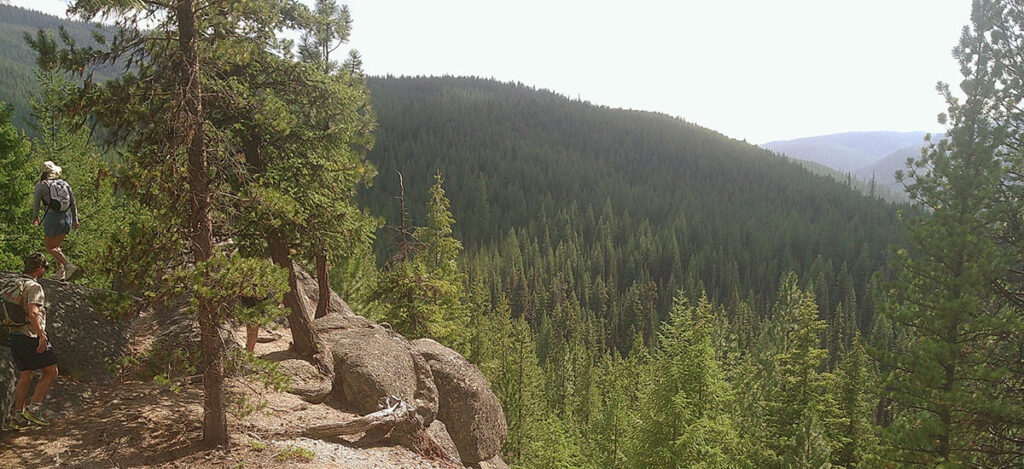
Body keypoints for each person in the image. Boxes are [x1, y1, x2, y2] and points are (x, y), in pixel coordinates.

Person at [4, 253, 59, 430]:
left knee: (25, 374)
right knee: (51, 371)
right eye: (44, 268)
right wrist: (42, 336)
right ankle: (34, 409)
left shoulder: (13, 282)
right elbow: (33, 312)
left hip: (14, 335)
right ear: (39, 268)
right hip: (30, 335)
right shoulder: (34, 287)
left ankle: (18, 416)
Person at [32, 161, 79, 281]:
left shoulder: (41, 185)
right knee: (57, 246)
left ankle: (69, 266)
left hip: (53, 219)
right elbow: (73, 203)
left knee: (50, 247)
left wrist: (35, 217)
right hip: (66, 217)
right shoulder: (64, 184)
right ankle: (61, 272)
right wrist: (75, 220)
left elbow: (36, 204)